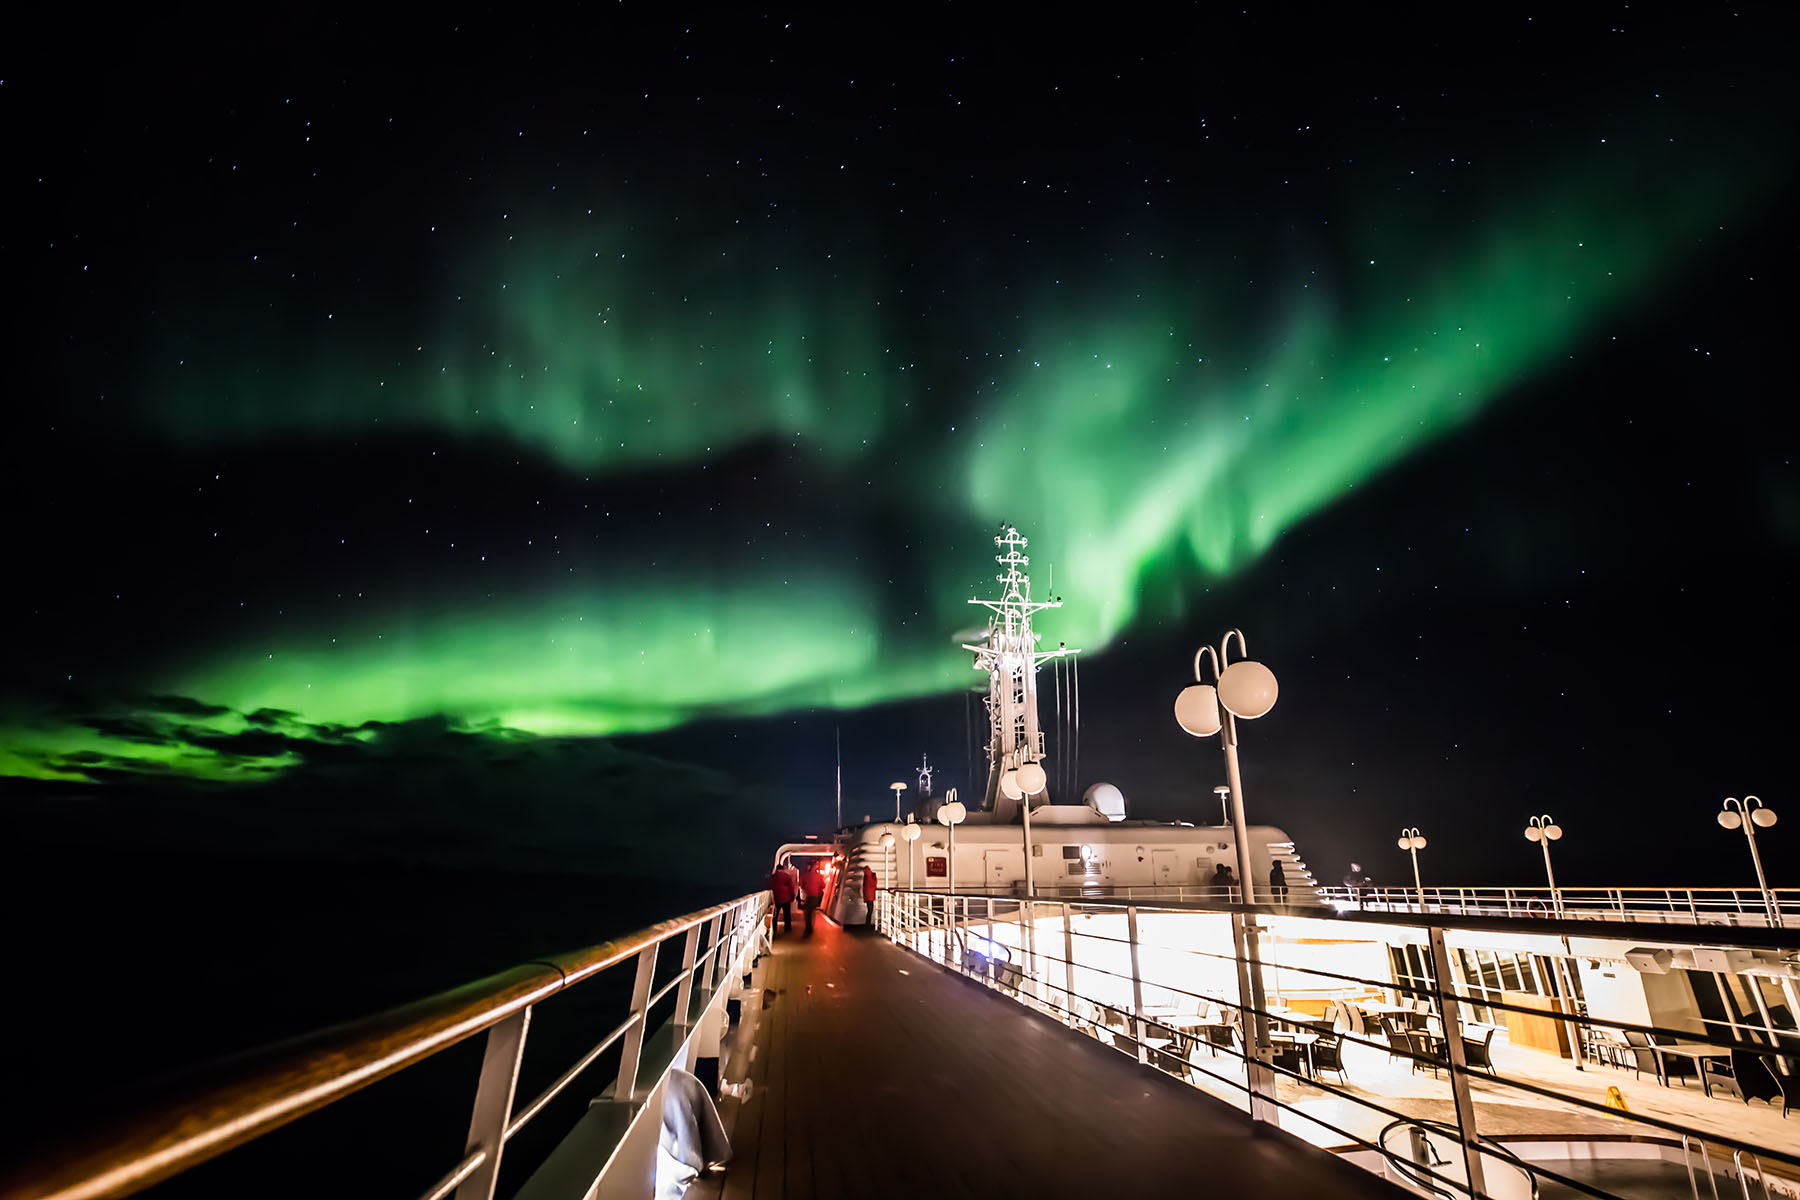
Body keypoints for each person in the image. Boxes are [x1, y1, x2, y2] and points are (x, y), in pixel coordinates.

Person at [767, 861, 795, 934]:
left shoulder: (772, 877)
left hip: (775, 898)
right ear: (783, 869)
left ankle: (774, 929)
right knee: (787, 914)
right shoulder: (787, 876)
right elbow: (791, 887)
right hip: (786, 898)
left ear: (776, 869)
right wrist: (793, 896)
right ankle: (787, 929)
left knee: (775, 915)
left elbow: (769, 887)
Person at [801, 863, 827, 934]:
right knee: (812, 912)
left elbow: (802, 885)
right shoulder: (819, 876)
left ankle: (808, 927)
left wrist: (807, 888)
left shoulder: (805, 875)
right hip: (815, 896)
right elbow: (823, 885)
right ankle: (810, 928)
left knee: (807, 912)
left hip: (808, 896)